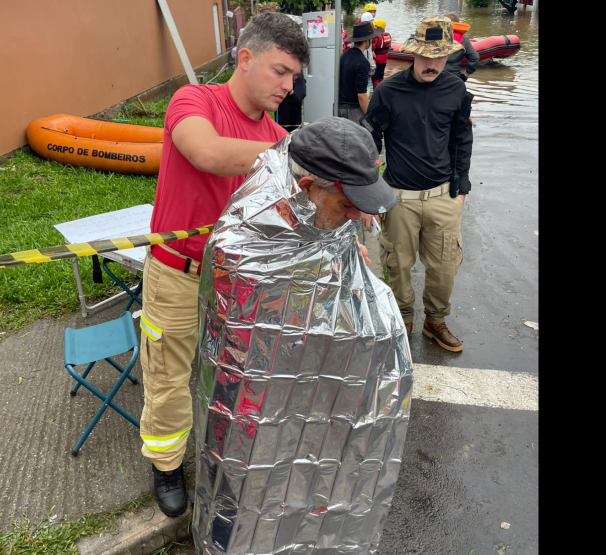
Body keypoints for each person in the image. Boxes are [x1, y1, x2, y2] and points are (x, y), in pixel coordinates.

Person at [193, 117, 404, 554]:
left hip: (313, 400)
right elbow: (241, 360)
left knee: (310, 489)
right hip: (255, 411)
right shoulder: (242, 244)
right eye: (348, 205)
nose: (358, 216)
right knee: (244, 500)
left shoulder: (322, 214)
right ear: (307, 187)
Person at [139, 10, 309, 518]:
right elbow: (207, 153)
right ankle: (167, 464)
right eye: (280, 71)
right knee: (168, 377)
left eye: (295, 76)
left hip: (238, 283)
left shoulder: (277, 135)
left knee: (233, 378)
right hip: (177, 273)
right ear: (246, 57)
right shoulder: (194, 101)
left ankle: (221, 460)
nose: (288, 85)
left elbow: (294, 213)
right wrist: (295, 155)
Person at [361, 15, 474, 352]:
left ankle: (435, 321)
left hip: (443, 195)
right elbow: (370, 144)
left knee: (445, 267)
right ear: (413, 53)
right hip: (399, 197)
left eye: (439, 56)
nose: (431, 64)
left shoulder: (456, 90)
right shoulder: (388, 92)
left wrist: (461, 189)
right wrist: (368, 196)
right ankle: (403, 320)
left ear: (449, 54)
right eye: (425, 56)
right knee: (397, 265)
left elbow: (461, 140)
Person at [339, 21, 382, 124]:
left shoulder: (344, 55)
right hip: (352, 111)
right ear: (367, 40)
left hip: (339, 108)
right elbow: (361, 95)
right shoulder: (363, 62)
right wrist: (369, 116)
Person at [444, 11, 478, 81]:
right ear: (458, 23)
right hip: (454, 77)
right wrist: (466, 74)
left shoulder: (437, 37)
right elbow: (474, 57)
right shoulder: (464, 41)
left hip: (436, 76)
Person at [371, 18, 392, 89]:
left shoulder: (376, 36)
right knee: (381, 76)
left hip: (377, 58)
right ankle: (381, 89)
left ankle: (376, 91)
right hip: (384, 58)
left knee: (375, 77)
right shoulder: (387, 35)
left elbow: (373, 46)